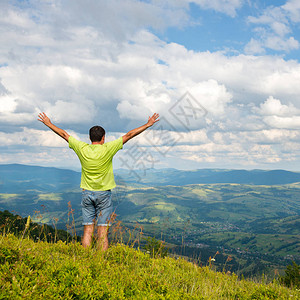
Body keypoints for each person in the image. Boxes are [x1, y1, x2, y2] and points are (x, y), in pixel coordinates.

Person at [38, 112, 159, 250]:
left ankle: (85, 258)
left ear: (90, 138)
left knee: (88, 230)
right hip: (104, 195)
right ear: (103, 138)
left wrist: (48, 123)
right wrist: (148, 125)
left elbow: (64, 135)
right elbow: (129, 135)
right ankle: (100, 262)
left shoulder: (82, 148)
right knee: (102, 233)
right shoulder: (108, 148)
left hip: (86, 193)